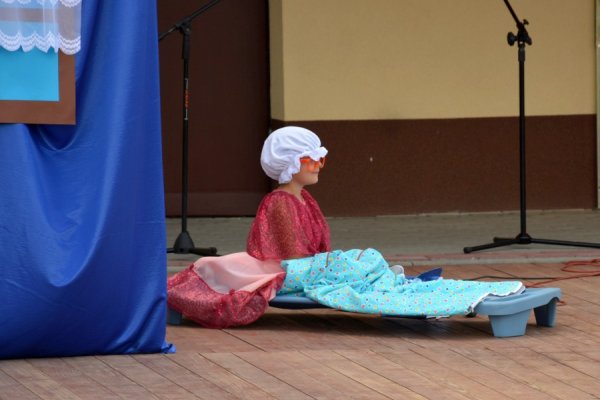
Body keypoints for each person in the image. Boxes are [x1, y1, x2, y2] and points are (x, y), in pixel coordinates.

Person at [168, 126, 523, 328]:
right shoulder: (279, 202)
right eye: (312, 160)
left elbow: (317, 250)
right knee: (366, 259)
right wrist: (338, 266)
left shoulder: (304, 199)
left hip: (305, 267)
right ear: (290, 163)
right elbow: (293, 258)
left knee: (366, 259)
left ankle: (386, 279)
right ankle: (384, 280)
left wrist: (337, 263)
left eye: (321, 159)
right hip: (290, 273)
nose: (319, 165)